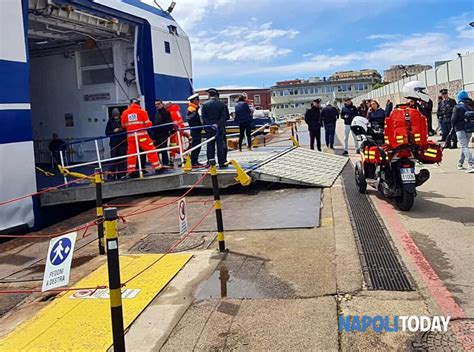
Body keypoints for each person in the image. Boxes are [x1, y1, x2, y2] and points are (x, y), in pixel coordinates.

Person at [121, 98, 162, 177]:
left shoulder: (125, 113)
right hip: (142, 136)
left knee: (131, 154)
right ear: (138, 104)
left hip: (131, 137)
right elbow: (148, 124)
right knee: (151, 150)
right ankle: (157, 167)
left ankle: (131, 171)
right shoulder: (142, 112)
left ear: (130, 104)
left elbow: (123, 125)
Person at [201, 88, 229, 167]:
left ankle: (211, 161)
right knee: (220, 145)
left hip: (209, 128)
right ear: (216, 95)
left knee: (210, 145)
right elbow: (225, 117)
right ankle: (221, 161)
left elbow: (204, 117)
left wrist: (211, 124)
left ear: (209, 95)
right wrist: (217, 124)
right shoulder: (222, 104)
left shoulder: (204, 104)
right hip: (220, 128)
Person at [451, 90, 474, 173]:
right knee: (465, 146)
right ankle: (460, 163)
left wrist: (452, 127)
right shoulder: (471, 105)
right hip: (469, 128)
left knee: (464, 146)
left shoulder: (457, 107)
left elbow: (453, 119)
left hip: (460, 129)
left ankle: (472, 164)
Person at [105, 108, 126, 180]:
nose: (116, 117)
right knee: (113, 159)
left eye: (117, 116)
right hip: (114, 143)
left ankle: (122, 174)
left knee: (122, 159)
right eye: (115, 116)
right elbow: (107, 133)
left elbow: (126, 129)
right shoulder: (110, 122)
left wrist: (121, 129)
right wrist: (113, 131)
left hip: (122, 142)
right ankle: (112, 174)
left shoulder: (122, 120)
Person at [153, 100, 173, 166]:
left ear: (162, 104)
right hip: (157, 134)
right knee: (157, 149)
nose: (157, 106)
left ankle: (165, 163)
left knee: (164, 149)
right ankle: (159, 163)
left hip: (163, 133)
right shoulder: (157, 113)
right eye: (156, 104)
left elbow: (169, 123)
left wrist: (166, 131)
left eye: (158, 104)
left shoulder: (165, 112)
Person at [187, 93, 204, 167]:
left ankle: (195, 161)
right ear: (194, 100)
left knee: (197, 146)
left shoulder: (194, 108)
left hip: (196, 130)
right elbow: (190, 119)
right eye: (198, 100)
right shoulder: (192, 109)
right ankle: (194, 162)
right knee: (196, 146)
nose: (199, 101)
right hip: (195, 131)